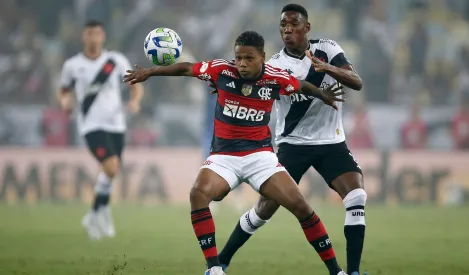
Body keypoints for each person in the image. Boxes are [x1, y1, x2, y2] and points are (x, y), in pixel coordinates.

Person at [124, 31, 348, 275]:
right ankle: (214, 268)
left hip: (260, 157)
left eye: (249, 58)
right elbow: (187, 68)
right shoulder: (221, 70)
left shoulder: (276, 77)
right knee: (198, 194)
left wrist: (322, 94)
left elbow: (301, 85)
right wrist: (150, 72)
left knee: (301, 206)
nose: (242, 63)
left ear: (262, 57)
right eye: (238, 57)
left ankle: (336, 271)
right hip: (224, 157)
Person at [217, 4, 367, 275]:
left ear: (306, 27)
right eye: (283, 25)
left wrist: (326, 68)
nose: (287, 30)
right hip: (292, 145)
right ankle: (221, 262)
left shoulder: (328, 49)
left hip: (331, 143)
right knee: (264, 208)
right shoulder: (274, 65)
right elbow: (248, 85)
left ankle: (353, 272)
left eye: (293, 24)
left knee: (356, 195)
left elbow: (356, 81)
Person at [58, 20, 144, 240]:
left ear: (102, 36)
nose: (93, 38)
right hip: (90, 125)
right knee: (112, 167)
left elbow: (135, 84)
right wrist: (65, 102)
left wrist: (135, 101)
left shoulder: (114, 60)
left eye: (97, 33)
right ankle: (101, 212)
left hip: (116, 124)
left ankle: (95, 213)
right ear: (83, 37)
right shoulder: (72, 65)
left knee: (110, 172)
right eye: (89, 34)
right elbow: (64, 91)